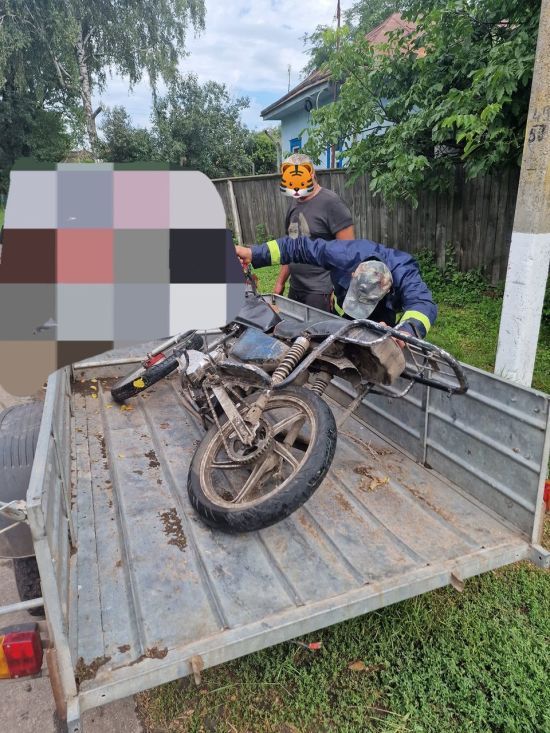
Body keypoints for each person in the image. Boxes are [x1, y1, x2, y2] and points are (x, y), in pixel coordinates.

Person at [235, 235, 437, 339]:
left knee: (377, 344)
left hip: (382, 316)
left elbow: (423, 304)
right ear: (352, 273)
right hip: (342, 311)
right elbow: (299, 246)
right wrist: (254, 253)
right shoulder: (343, 255)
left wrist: (406, 331)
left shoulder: (405, 273)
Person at [275, 153, 354, 313]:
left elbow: (348, 253)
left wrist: (339, 289)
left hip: (321, 292)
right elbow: (290, 247)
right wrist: (280, 282)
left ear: (311, 174)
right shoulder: (294, 205)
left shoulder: (331, 203)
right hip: (295, 288)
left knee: (318, 330)